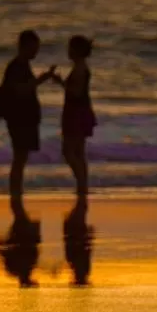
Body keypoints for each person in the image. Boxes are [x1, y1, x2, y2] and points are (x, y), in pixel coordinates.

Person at [0, 30, 60, 205]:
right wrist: (39, 80)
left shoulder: (22, 65)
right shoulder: (16, 66)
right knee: (19, 157)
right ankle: (15, 193)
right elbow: (20, 90)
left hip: (24, 118)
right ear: (23, 47)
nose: (36, 52)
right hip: (19, 119)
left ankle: (17, 193)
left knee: (21, 158)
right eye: (34, 48)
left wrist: (43, 78)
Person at [57, 35, 96, 197]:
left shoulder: (80, 68)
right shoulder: (81, 67)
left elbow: (76, 92)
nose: (68, 51)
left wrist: (61, 83)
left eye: (71, 47)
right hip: (80, 111)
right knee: (79, 152)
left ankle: (81, 184)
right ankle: (82, 186)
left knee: (69, 151)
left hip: (76, 113)